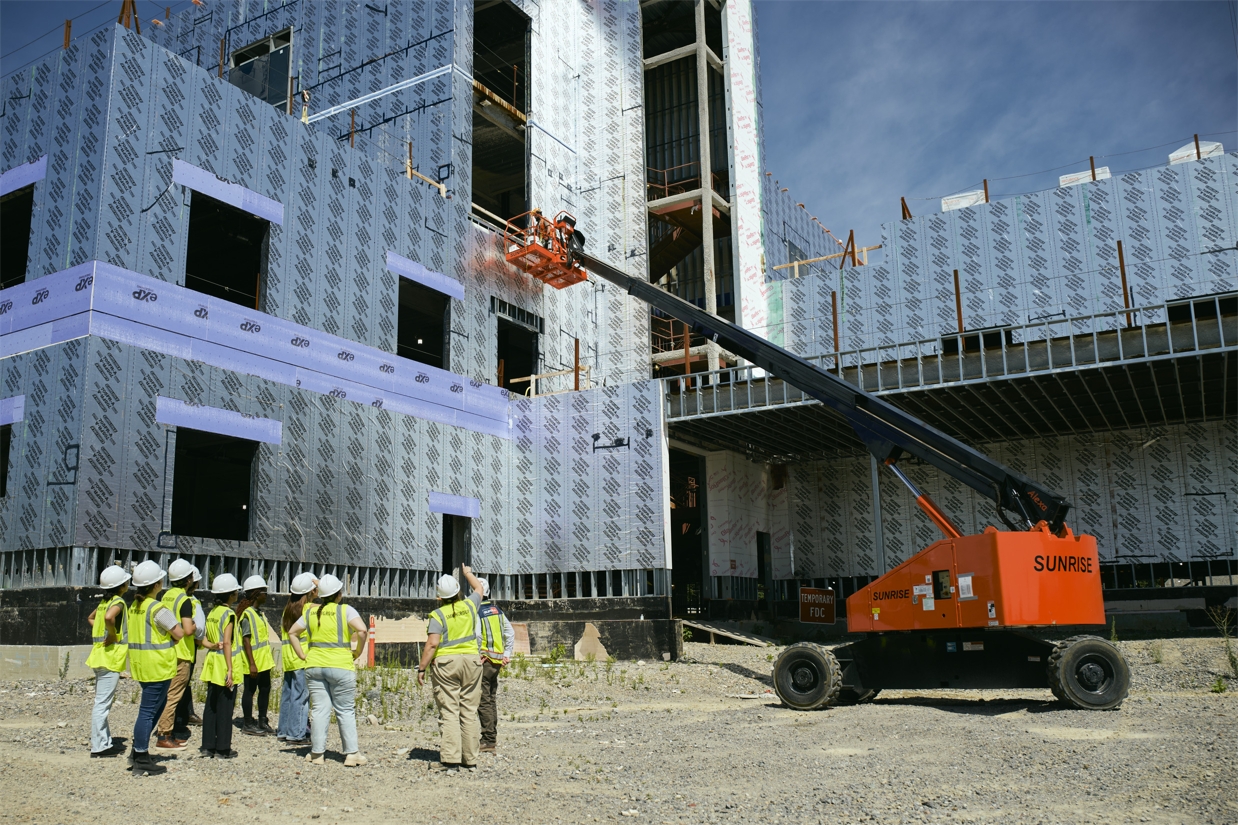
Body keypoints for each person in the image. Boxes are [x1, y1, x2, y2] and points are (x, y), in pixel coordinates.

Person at [288, 573, 368, 767]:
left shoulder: (311, 612)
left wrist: (302, 655)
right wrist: (357, 652)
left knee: (319, 710)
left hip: (315, 666)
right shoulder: (346, 611)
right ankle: (351, 754)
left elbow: (292, 632)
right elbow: (362, 631)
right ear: (338, 594)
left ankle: (317, 754)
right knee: (345, 710)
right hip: (341, 665)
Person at [416, 572, 483, 772]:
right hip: (472, 661)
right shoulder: (470, 605)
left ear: (439, 597)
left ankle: (451, 760)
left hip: (447, 664)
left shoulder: (437, 615)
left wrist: (421, 668)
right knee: (469, 711)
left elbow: (432, 644)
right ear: (458, 591)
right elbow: (479, 588)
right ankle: (470, 759)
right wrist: (468, 573)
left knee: (450, 711)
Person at [126, 560, 187, 776]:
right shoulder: (158, 608)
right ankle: (140, 756)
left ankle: (137, 751)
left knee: (153, 709)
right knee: (148, 711)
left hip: (141, 665)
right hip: (158, 665)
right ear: (156, 585)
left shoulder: (135, 607)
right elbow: (179, 633)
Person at [85, 564, 131, 758]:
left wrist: (104, 630)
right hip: (110, 658)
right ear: (121, 585)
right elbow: (110, 617)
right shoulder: (117, 602)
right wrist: (112, 634)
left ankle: (103, 742)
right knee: (102, 705)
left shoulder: (104, 602)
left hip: (99, 656)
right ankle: (100, 746)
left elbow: (91, 618)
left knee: (101, 703)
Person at [154, 559, 197, 752]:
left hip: (167, 651)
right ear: (188, 579)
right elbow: (188, 630)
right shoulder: (184, 600)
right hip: (181, 653)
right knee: (173, 696)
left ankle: (165, 732)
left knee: (166, 694)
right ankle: (164, 735)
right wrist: (198, 624)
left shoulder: (165, 597)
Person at [200, 573, 242, 759]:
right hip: (225, 663)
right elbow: (227, 643)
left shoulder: (213, 612)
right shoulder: (229, 614)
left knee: (211, 705)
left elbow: (206, 639)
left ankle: (208, 745)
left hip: (212, 662)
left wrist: (210, 646)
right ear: (231, 594)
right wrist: (230, 670)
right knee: (225, 706)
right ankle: (223, 748)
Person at [472, 576, 514, 754]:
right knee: (491, 699)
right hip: (496, 662)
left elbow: (478, 635)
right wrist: (506, 654)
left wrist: (478, 654)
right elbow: (510, 633)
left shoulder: (477, 611)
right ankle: (491, 736)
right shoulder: (497, 610)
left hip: (485, 662)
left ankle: (488, 740)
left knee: (484, 701)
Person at [277, 572, 317, 745]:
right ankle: (296, 734)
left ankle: (284, 731)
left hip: (289, 659)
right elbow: (330, 601)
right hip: (303, 658)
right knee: (300, 698)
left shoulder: (286, 611)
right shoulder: (308, 609)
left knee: (288, 696)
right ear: (309, 593)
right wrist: (320, 585)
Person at [238, 575, 275, 736]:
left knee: (265, 689)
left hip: (264, 660)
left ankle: (262, 719)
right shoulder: (247, 615)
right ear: (256, 593)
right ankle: (247, 722)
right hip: (252, 661)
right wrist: (252, 663)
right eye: (264, 592)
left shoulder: (259, 613)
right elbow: (246, 640)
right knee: (250, 691)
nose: (266, 595)